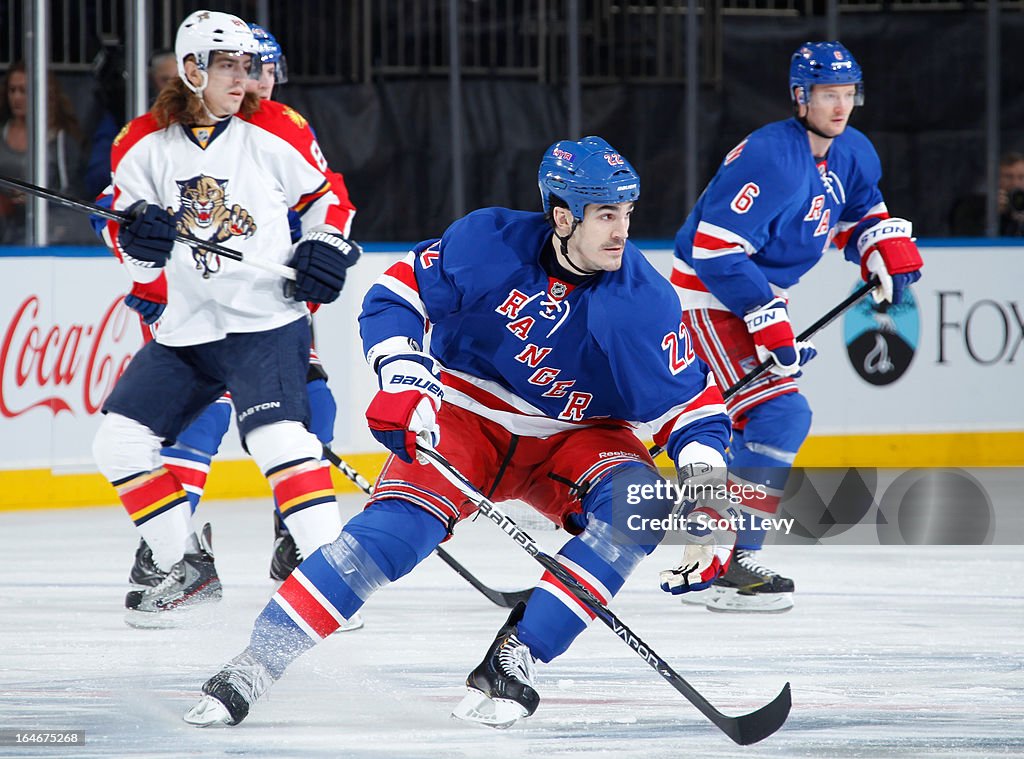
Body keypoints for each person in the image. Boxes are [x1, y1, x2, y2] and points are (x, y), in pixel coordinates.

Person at [182, 136, 735, 729]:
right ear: (561, 215)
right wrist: (402, 376)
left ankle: (518, 653)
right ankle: (255, 663)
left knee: (638, 509)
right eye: (604, 214)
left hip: (575, 438)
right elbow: (396, 293)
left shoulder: (643, 300)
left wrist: (709, 495)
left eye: (626, 213)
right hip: (468, 416)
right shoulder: (488, 241)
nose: (620, 231)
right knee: (391, 536)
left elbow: (693, 409)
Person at [91, 10, 361, 628]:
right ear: (192, 70)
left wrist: (325, 247)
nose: (245, 81)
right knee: (119, 441)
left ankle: (327, 572)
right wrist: (137, 239)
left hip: (265, 319)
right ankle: (180, 561)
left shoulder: (276, 130)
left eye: (250, 67)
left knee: (283, 436)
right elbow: (116, 221)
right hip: (186, 325)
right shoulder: (139, 142)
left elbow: (328, 201)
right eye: (230, 67)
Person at [670, 41, 923, 613]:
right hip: (705, 299)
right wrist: (767, 320)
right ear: (800, 97)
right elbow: (714, 249)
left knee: (733, 425)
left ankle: (713, 555)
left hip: (754, 299)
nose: (839, 105)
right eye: (827, 94)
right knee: (780, 413)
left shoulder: (853, 151)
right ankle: (730, 563)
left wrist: (878, 249)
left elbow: (861, 216)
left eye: (847, 94)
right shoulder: (768, 156)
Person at [0, 61, 87, 243]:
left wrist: (35, 199)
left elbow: (72, 194)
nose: (16, 97)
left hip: (48, 227)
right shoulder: (2, 133)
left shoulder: (60, 140)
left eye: (24, 91)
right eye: (12, 90)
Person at [949, 151, 1024, 237]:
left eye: (1021, 177)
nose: (1015, 183)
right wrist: (992, 215)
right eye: (1008, 177)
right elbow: (964, 240)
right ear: (995, 178)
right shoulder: (972, 206)